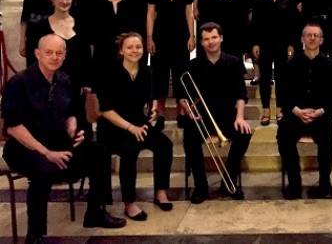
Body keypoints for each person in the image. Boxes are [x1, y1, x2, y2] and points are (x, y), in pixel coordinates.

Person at [2, 35, 126, 244]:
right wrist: (46, 152)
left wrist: (73, 130)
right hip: (24, 147)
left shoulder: (65, 80)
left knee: (99, 152)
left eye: (59, 53)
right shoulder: (19, 82)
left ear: (65, 55)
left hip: (57, 142)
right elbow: (13, 128)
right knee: (42, 169)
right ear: (37, 54)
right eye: (49, 52)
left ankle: (94, 212)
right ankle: (36, 234)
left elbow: (70, 113)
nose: (54, 57)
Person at [97, 32, 173, 221]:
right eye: (129, 47)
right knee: (129, 150)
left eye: (138, 47)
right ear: (121, 50)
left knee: (165, 145)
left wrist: (153, 110)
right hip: (114, 127)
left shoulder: (147, 71)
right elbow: (105, 110)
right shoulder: (109, 72)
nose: (134, 50)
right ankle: (129, 203)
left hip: (138, 123)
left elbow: (149, 100)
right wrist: (131, 128)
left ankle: (160, 192)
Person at [182, 22, 252, 203]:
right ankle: (201, 186)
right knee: (189, 135)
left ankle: (228, 179)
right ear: (202, 43)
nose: (211, 42)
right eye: (206, 39)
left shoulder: (234, 62)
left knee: (244, 133)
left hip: (228, 115)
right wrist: (188, 109)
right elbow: (182, 96)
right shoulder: (193, 65)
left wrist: (240, 117)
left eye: (214, 37)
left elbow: (241, 94)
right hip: (202, 117)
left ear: (221, 38)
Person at [277, 22, 332, 199]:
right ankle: (294, 182)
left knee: (328, 136)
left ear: (321, 40)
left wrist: (321, 111)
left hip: (321, 115)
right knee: (283, 133)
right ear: (302, 39)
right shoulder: (290, 65)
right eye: (309, 35)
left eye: (316, 35)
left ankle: (324, 181)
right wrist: (297, 110)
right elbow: (283, 94)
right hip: (296, 115)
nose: (312, 38)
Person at [30, 0, 92, 138]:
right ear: (53, 0)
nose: (65, 1)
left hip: (76, 80)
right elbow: (35, 55)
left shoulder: (81, 23)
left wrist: (87, 81)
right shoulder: (41, 26)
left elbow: (86, 55)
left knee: (79, 122)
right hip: (51, 79)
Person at [147, 0, 196, 125]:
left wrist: (192, 35)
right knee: (159, 74)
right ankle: (158, 113)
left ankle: (181, 111)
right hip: (160, 36)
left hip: (181, 35)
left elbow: (189, 13)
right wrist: (149, 38)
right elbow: (150, 14)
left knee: (180, 73)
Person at [251, 0, 300, 125]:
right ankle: (266, 110)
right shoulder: (259, 0)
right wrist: (255, 43)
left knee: (282, 78)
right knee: (264, 78)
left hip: (283, 44)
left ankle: (280, 109)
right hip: (264, 44)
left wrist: (292, 44)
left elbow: (294, 25)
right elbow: (255, 24)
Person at [19, 0, 64, 66]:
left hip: (56, 37)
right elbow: (25, 18)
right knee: (34, 71)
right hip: (35, 38)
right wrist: (22, 42)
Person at [92, 0, 134, 78]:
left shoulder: (131, 3)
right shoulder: (96, 3)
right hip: (102, 55)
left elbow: (135, 31)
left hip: (126, 56)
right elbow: (92, 32)